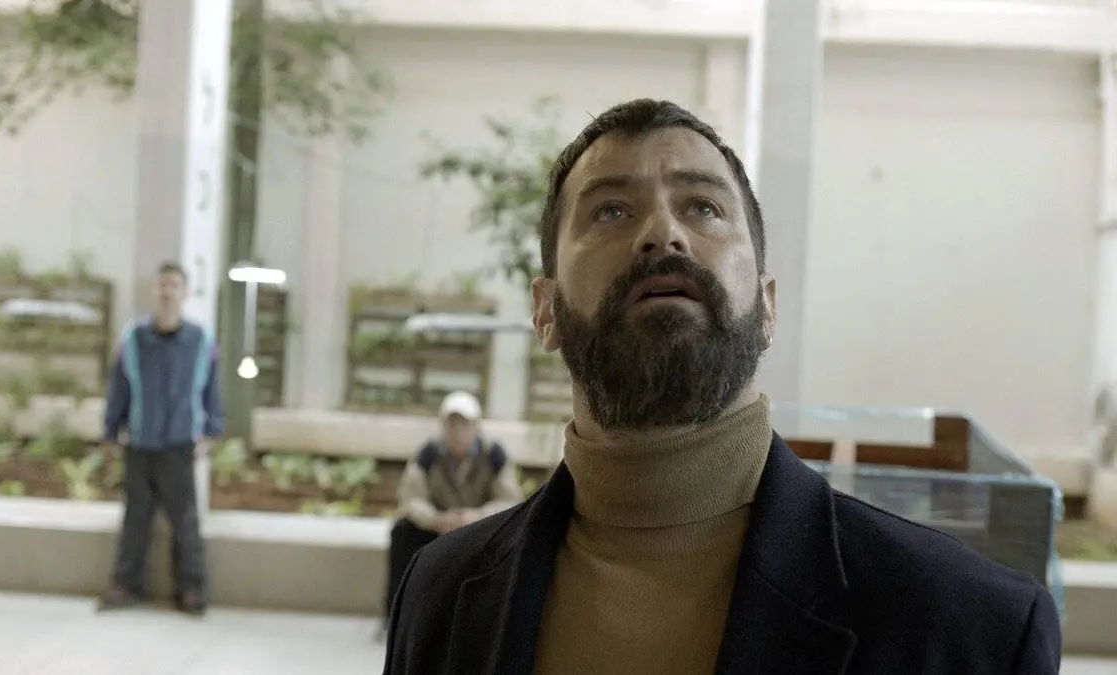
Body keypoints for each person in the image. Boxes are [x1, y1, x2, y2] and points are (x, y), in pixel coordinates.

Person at [384, 99, 1060, 674]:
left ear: (767, 306)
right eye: (611, 211)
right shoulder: (439, 595)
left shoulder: (976, 629)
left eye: (703, 207)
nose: (662, 234)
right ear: (545, 310)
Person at [97, 261, 224, 616]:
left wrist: (212, 431)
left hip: (180, 444)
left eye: (174, 286)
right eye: (162, 285)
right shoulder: (133, 339)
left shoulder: (200, 341)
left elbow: (212, 391)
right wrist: (110, 432)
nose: (168, 292)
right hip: (139, 442)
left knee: (185, 523)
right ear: (153, 291)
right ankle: (125, 585)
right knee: (134, 520)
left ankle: (191, 590)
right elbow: (119, 388)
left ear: (185, 293)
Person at [385, 391, 524, 620]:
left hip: (481, 529)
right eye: (452, 424)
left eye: (465, 424)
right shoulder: (428, 454)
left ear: (477, 426)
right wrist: (435, 519)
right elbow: (411, 498)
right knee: (402, 532)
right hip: (438, 527)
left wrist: (477, 517)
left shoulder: (493, 454)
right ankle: (396, 616)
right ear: (442, 426)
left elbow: (510, 500)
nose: (458, 431)